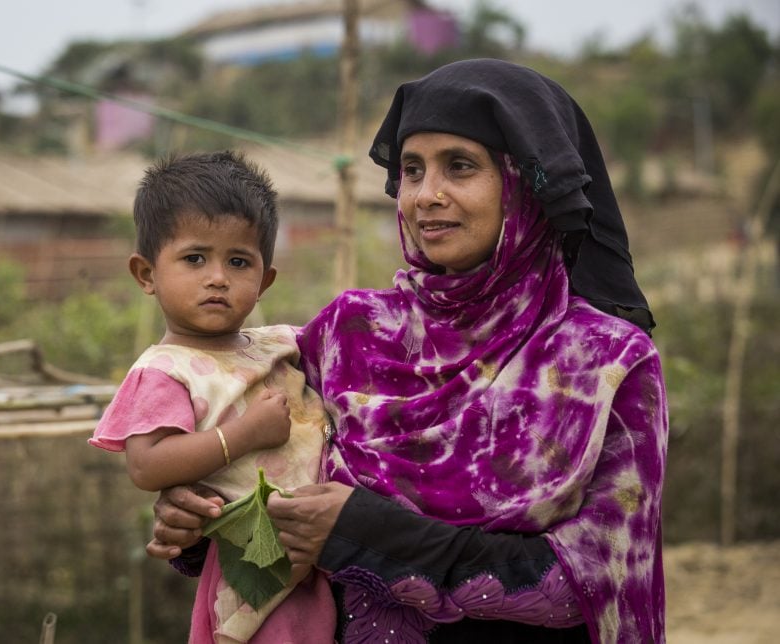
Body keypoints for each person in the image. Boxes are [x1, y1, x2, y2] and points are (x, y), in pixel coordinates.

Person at [149, 59, 668, 644]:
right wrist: (198, 521)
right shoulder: (350, 332)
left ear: (525, 183)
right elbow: (271, 479)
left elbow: (593, 579)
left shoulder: (604, 362)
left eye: (461, 167)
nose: (426, 195)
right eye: (412, 170)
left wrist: (365, 531)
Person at [89, 151, 336, 643]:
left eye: (238, 261)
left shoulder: (278, 344)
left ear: (264, 281)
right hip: (257, 562)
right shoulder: (166, 371)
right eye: (195, 258)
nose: (218, 277)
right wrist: (243, 435)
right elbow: (147, 465)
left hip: (324, 548)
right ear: (146, 274)